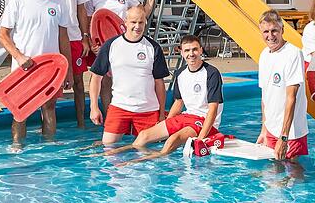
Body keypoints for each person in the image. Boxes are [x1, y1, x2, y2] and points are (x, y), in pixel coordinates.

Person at [93, 35, 224, 163]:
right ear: (181, 52)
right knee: (143, 136)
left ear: (201, 50)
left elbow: (213, 109)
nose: (191, 54)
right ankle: (118, 153)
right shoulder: (180, 73)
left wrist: (200, 139)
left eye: (195, 49)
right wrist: (165, 123)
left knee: (174, 138)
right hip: (187, 117)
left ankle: (141, 160)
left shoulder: (212, 73)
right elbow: (178, 103)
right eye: (187, 50)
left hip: (204, 120)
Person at [0, 0, 73, 145]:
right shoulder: (17, 2)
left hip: (50, 71)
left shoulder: (58, 3)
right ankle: (17, 147)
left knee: (49, 108)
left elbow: (63, 39)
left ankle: (48, 148)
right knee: (20, 111)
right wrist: (18, 56)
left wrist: (68, 71)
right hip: (23, 69)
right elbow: (3, 35)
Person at [88, 0, 165, 111]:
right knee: (104, 81)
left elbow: (141, 12)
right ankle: (108, 115)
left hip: (125, 43)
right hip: (104, 44)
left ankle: (129, 110)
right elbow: (90, 22)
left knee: (124, 77)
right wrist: (92, 44)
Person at [89, 5, 170, 145]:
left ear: (145, 22)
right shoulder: (111, 45)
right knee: (108, 149)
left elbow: (159, 84)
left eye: (141, 22)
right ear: (125, 22)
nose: (137, 26)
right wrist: (94, 107)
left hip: (148, 110)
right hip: (120, 107)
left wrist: (161, 114)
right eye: (133, 22)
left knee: (149, 154)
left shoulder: (153, 48)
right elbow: (96, 78)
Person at [46, 0, 92, 128]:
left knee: (79, 82)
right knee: (51, 84)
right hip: (49, 38)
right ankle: (49, 127)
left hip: (73, 37)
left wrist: (85, 37)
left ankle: (81, 124)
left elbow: (82, 9)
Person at [257, 10, 309, 161]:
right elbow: (265, 97)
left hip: (291, 132)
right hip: (271, 129)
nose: (270, 35)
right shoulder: (264, 55)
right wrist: (264, 130)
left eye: (274, 30)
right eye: (266, 31)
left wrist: (284, 137)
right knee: (274, 176)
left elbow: (291, 98)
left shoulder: (293, 54)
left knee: (294, 173)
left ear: (282, 31)